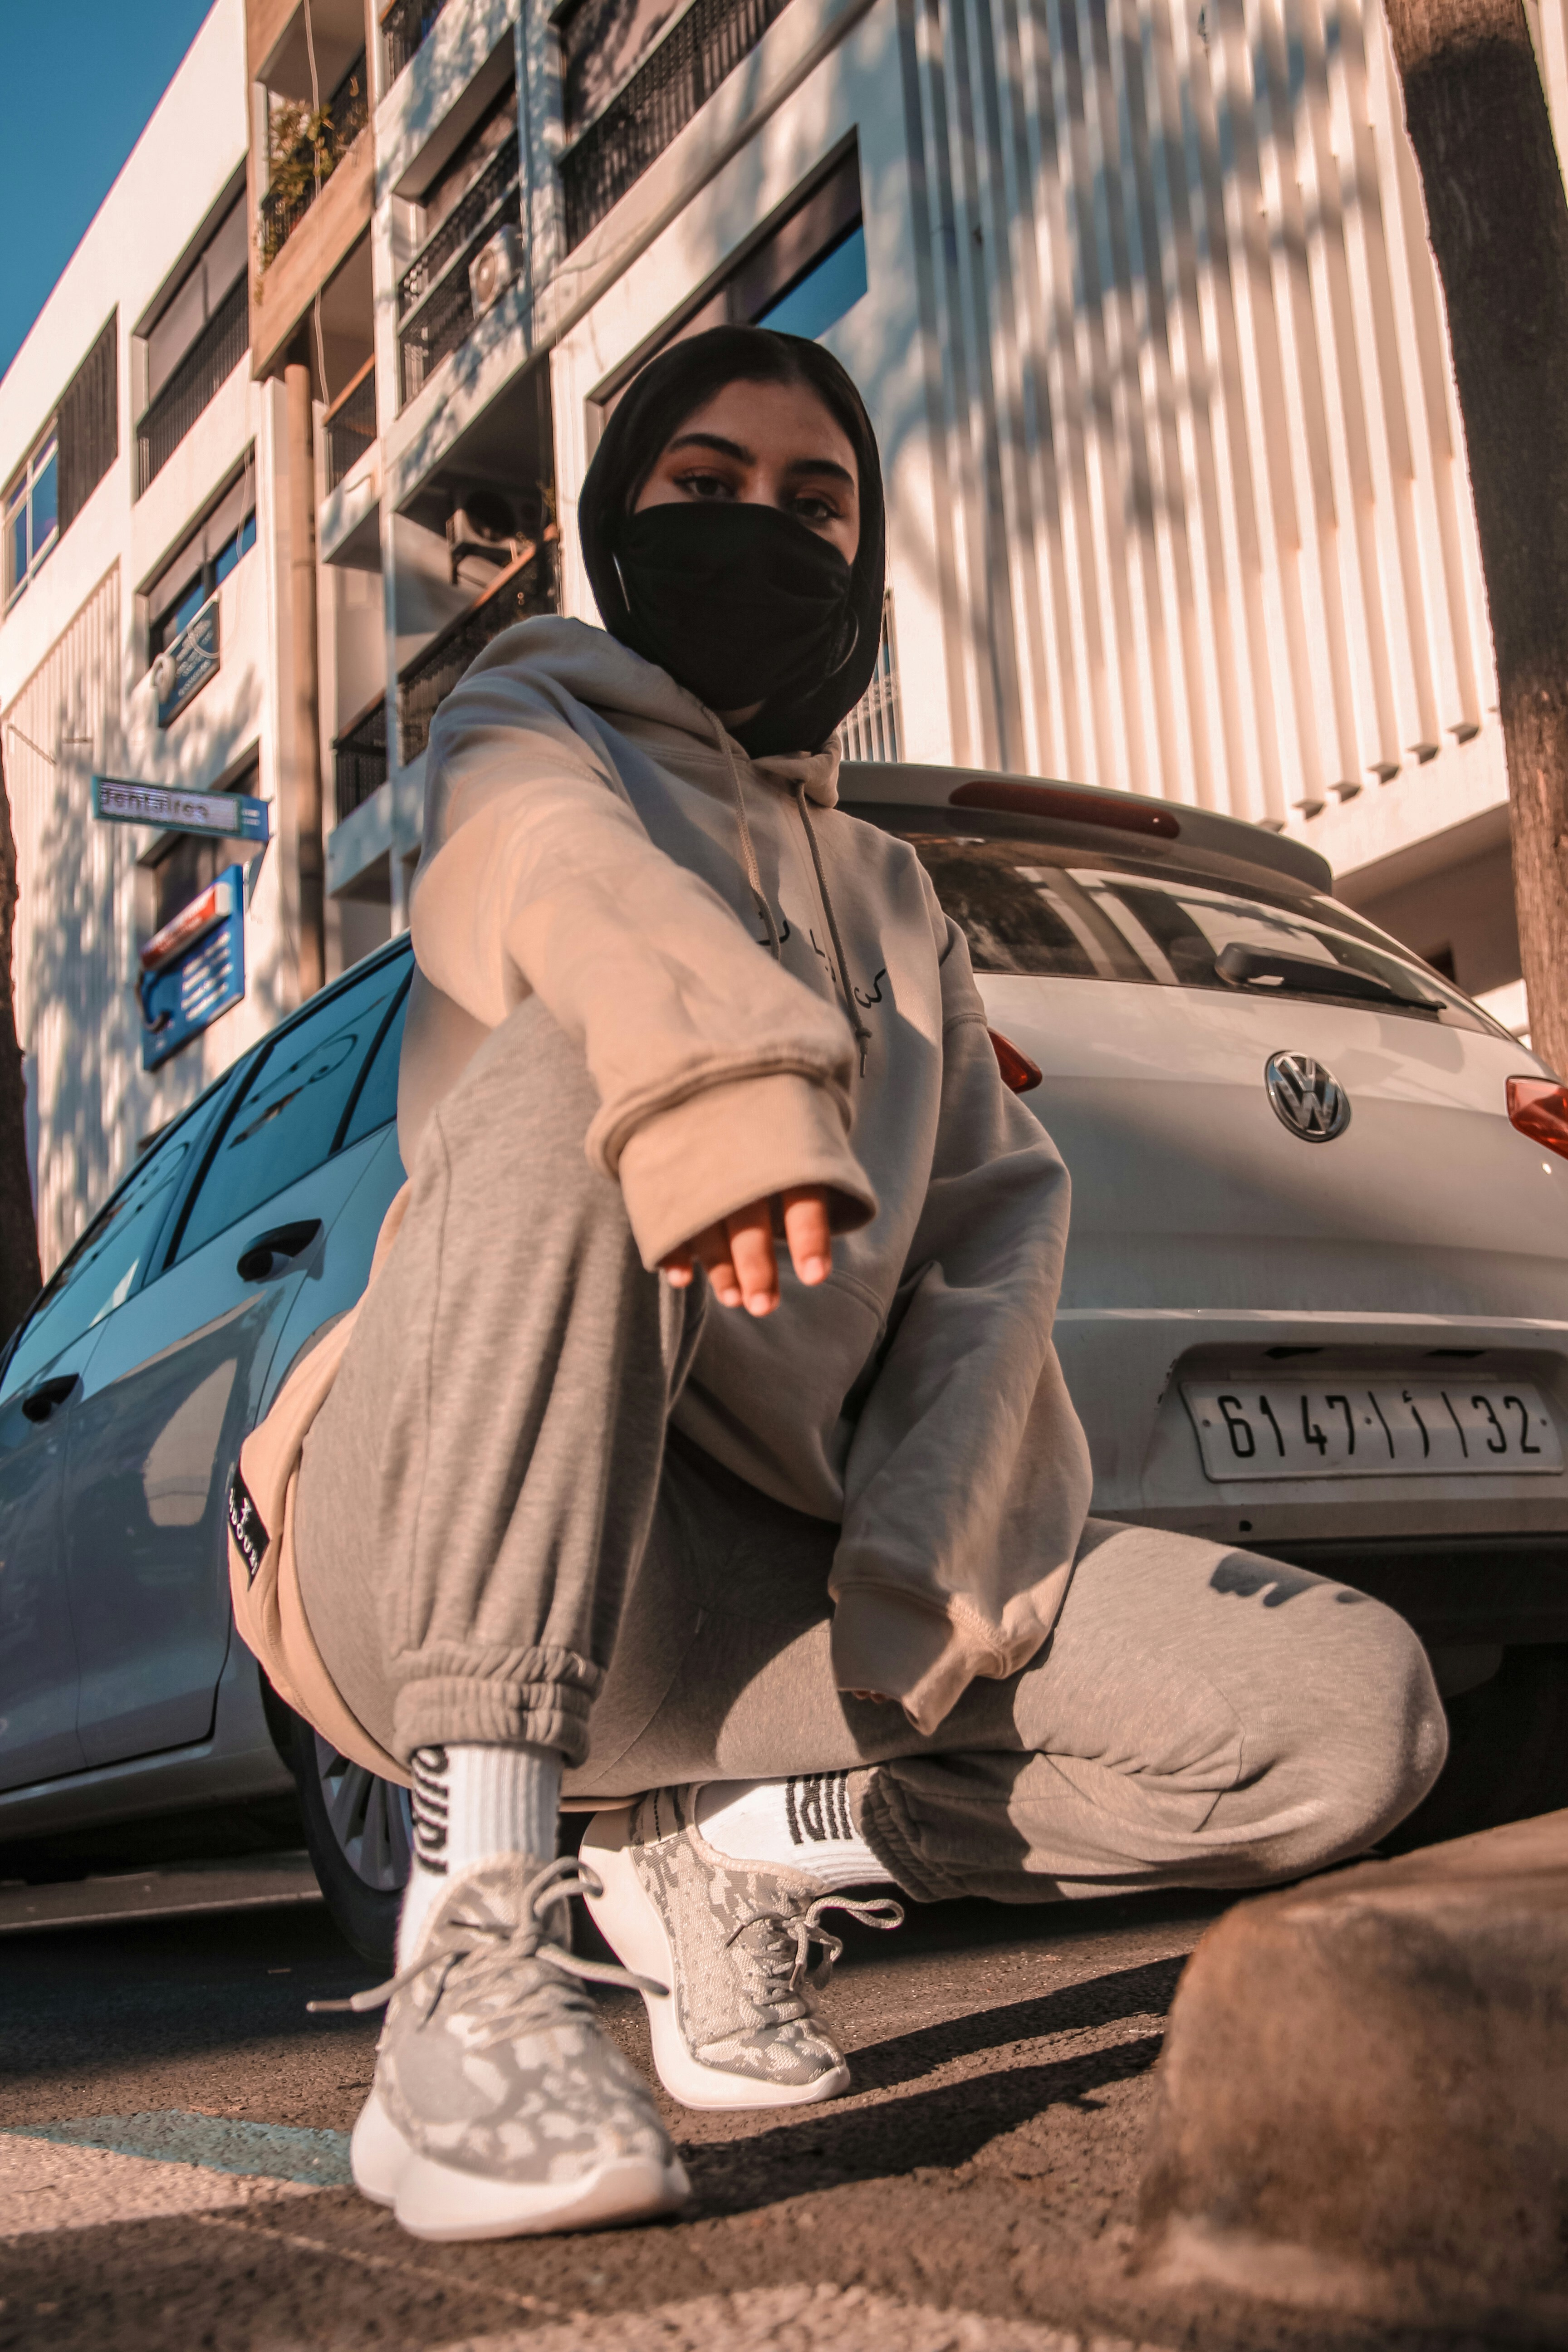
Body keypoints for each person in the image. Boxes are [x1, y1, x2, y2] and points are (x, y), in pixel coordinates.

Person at [289, 324, 1447, 2244]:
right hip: (443, 1538)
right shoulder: (526, 728)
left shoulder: (905, 907)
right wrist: (715, 1073)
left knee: (1347, 1711)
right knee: (591, 1053)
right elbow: (554, 875)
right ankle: (472, 1952)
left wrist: (919, 1591)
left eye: (815, 502)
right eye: (706, 490)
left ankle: (741, 1855)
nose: (765, 530)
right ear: (614, 528)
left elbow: (996, 1239)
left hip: (758, 1599)